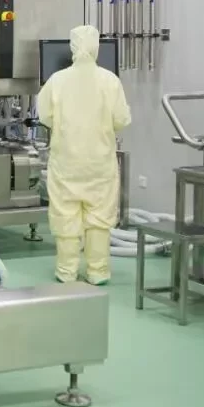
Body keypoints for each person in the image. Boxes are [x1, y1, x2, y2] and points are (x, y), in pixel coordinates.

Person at [37, 25, 131, 285]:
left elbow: (44, 115)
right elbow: (121, 120)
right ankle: (97, 272)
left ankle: (66, 271)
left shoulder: (57, 81)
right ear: (96, 46)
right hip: (99, 163)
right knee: (99, 219)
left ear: (72, 47)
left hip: (66, 162)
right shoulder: (110, 81)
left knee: (65, 216)